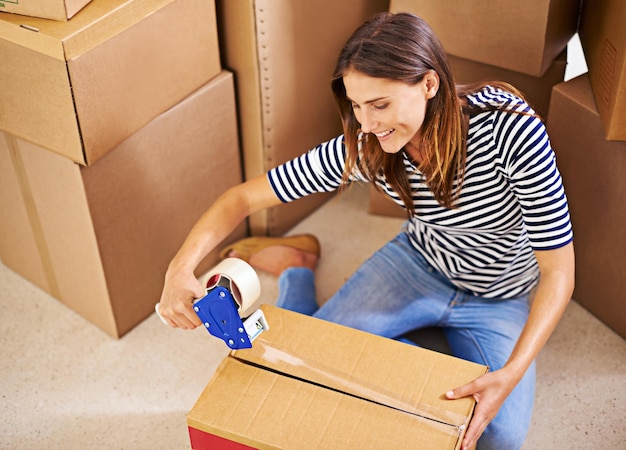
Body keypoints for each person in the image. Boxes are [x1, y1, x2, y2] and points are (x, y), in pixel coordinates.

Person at [158, 12, 575, 450]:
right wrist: (179, 269)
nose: (367, 124)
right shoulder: (365, 147)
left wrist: (510, 374)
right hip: (419, 265)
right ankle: (297, 267)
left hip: (501, 296)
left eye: (380, 104)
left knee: (501, 438)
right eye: (357, 106)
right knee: (303, 368)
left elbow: (559, 273)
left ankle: (323, 282)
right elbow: (241, 199)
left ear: (429, 85)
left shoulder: (510, 130)